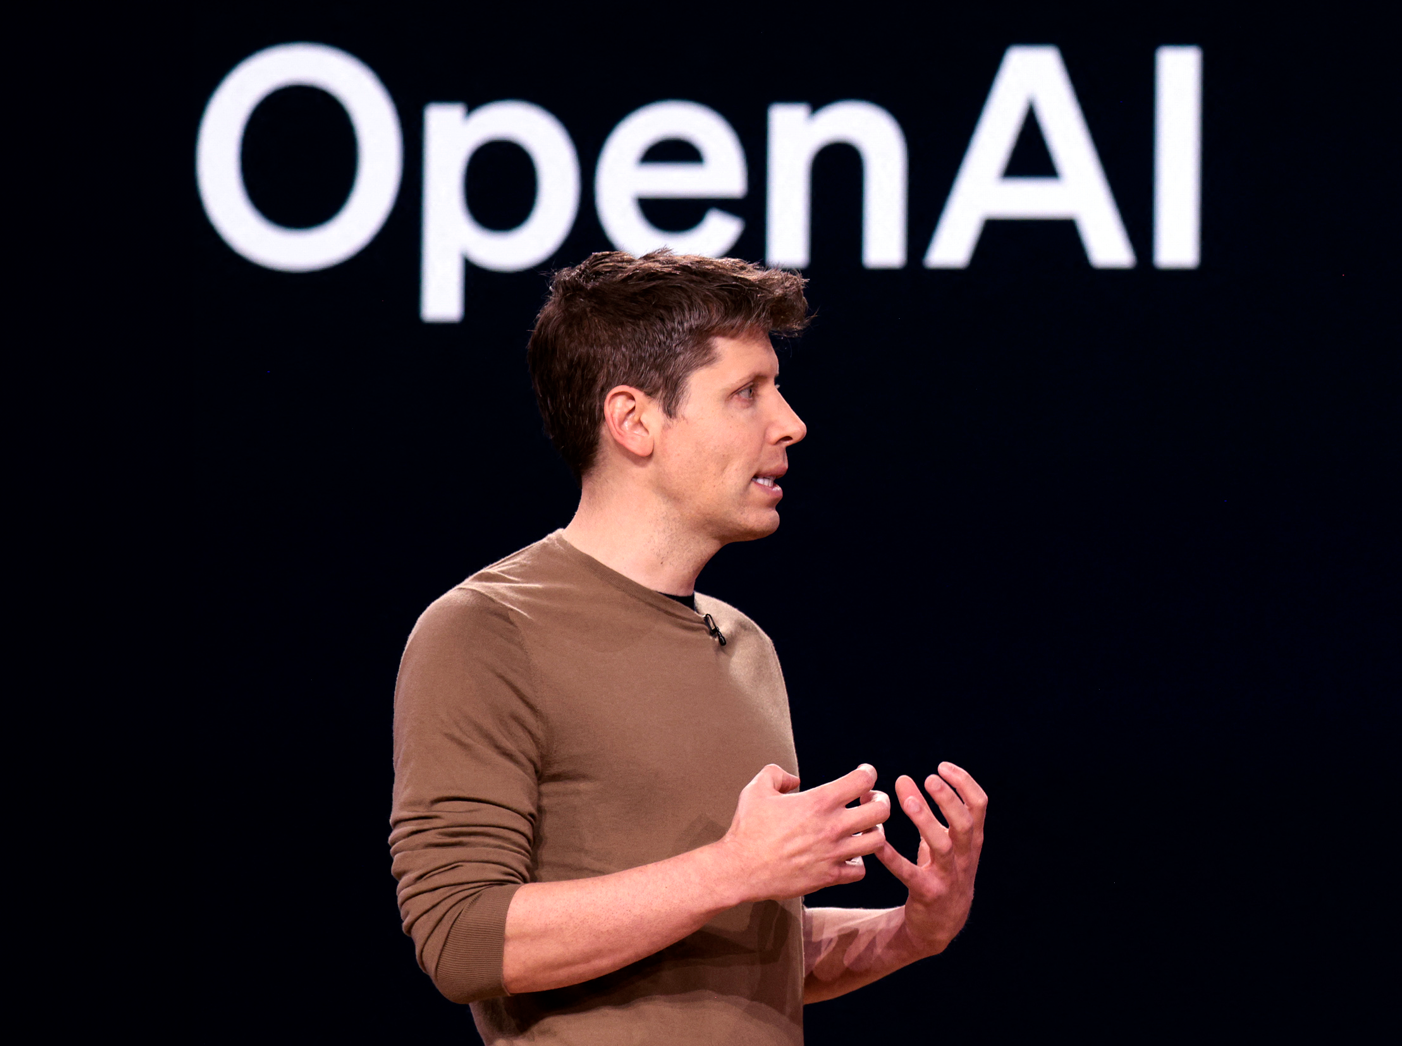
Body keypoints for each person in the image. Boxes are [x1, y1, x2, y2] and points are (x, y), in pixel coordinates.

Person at [390, 250, 987, 1044]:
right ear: (634, 420)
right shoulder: (486, 631)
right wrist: (731, 870)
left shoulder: (747, 647)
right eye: (747, 393)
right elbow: (460, 937)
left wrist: (913, 932)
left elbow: (734, 955)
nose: (790, 423)